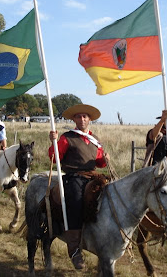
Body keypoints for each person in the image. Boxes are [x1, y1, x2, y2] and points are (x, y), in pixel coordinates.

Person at [48, 104, 109, 270]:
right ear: (74, 119)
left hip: (92, 176)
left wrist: (105, 158)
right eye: (79, 117)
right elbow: (55, 157)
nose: (82, 119)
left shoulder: (94, 140)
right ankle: (74, 250)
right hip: (74, 177)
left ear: (89, 119)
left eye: (85, 117)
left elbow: (99, 163)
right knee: (75, 201)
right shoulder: (67, 137)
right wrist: (53, 142)